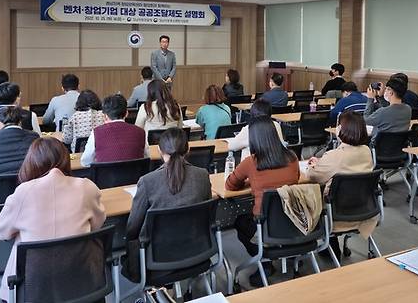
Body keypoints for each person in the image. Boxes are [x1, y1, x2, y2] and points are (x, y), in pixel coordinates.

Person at [0, 137, 105, 303]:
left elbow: (1, 232)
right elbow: (97, 224)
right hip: (81, 275)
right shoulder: (87, 187)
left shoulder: (23, 192)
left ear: (32, 162)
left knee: (19, 239)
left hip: (33, 283)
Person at [123, 128, 212, 282]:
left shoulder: (147, 181)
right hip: (197, 249)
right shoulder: (203, 175)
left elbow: (133, 227)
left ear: (159, 150)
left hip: (157, 258)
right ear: (188, 148)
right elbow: (207, 215)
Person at [226, 116, 299, 285]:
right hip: (293, 220)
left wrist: (250, 181)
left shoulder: (251, 162)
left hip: (264, 226)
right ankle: (285, 252)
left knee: (240, 222)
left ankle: (265, 261)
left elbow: (230, 185)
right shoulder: (292, 157)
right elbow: (295, 179)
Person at [306, 112, 375, 260]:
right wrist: (323, 163)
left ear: (342, 130)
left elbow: (313, 176)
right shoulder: (367, 151)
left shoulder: (334, 155)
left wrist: (315, 165)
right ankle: (331, 245)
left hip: (337, 213)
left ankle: (324, 245)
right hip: (364, 209)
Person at [80, 94, 150, 167]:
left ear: (105, 115)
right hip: (136, 177)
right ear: (127, 113)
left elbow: (85, 162)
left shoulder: (96, 133)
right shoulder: (140, 132)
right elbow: (147, 157)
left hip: (105, 177)